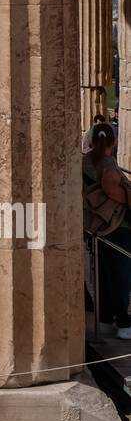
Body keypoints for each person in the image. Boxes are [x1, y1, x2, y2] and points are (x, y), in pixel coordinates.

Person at [83, 121, 131, 339]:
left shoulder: (84, 161)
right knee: (121, 275)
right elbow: (111, 187)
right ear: (114, 141)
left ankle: (104, 318)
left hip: (96, 226)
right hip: (117, 226)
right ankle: (123, 322)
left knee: (103, 274)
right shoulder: (109, 162)